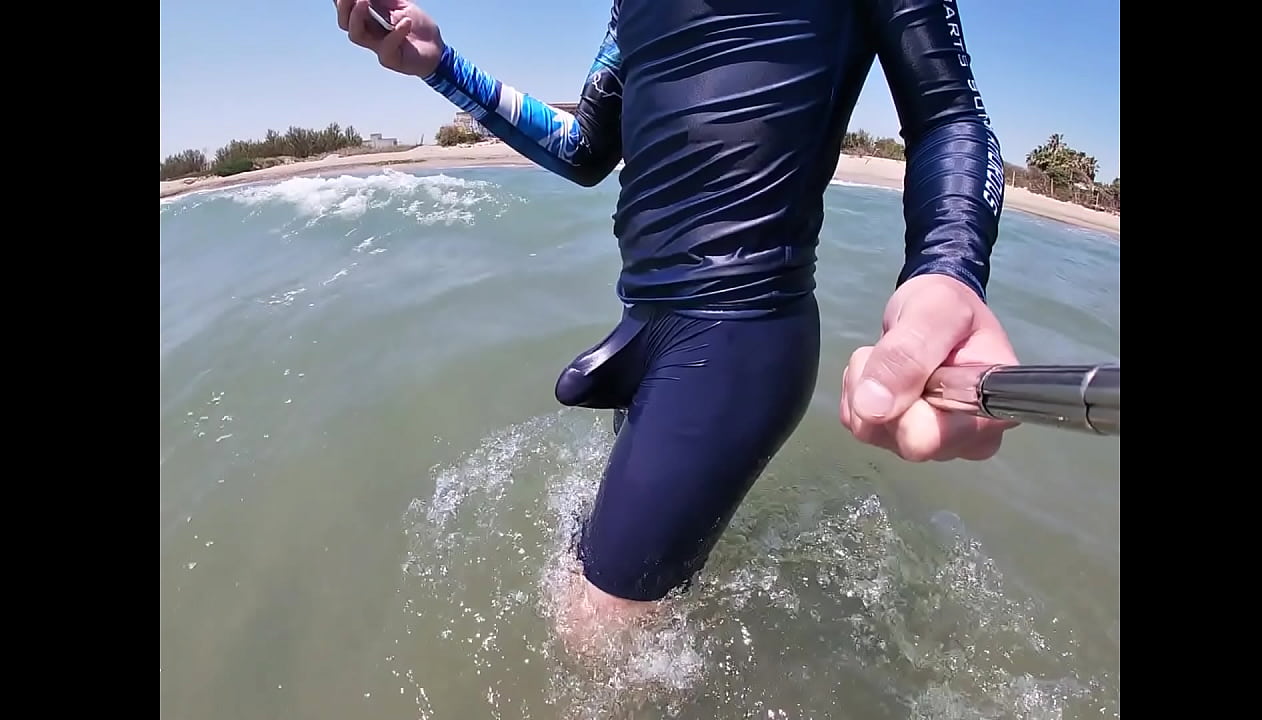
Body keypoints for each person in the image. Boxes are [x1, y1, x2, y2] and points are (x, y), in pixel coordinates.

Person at [335, 0, 1020, 631]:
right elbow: (584, 148)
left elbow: (950, 117)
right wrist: (440, 65)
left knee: (592, 631)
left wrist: (948, 271)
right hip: (641, 324)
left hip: (741, 326)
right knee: (624, 596)